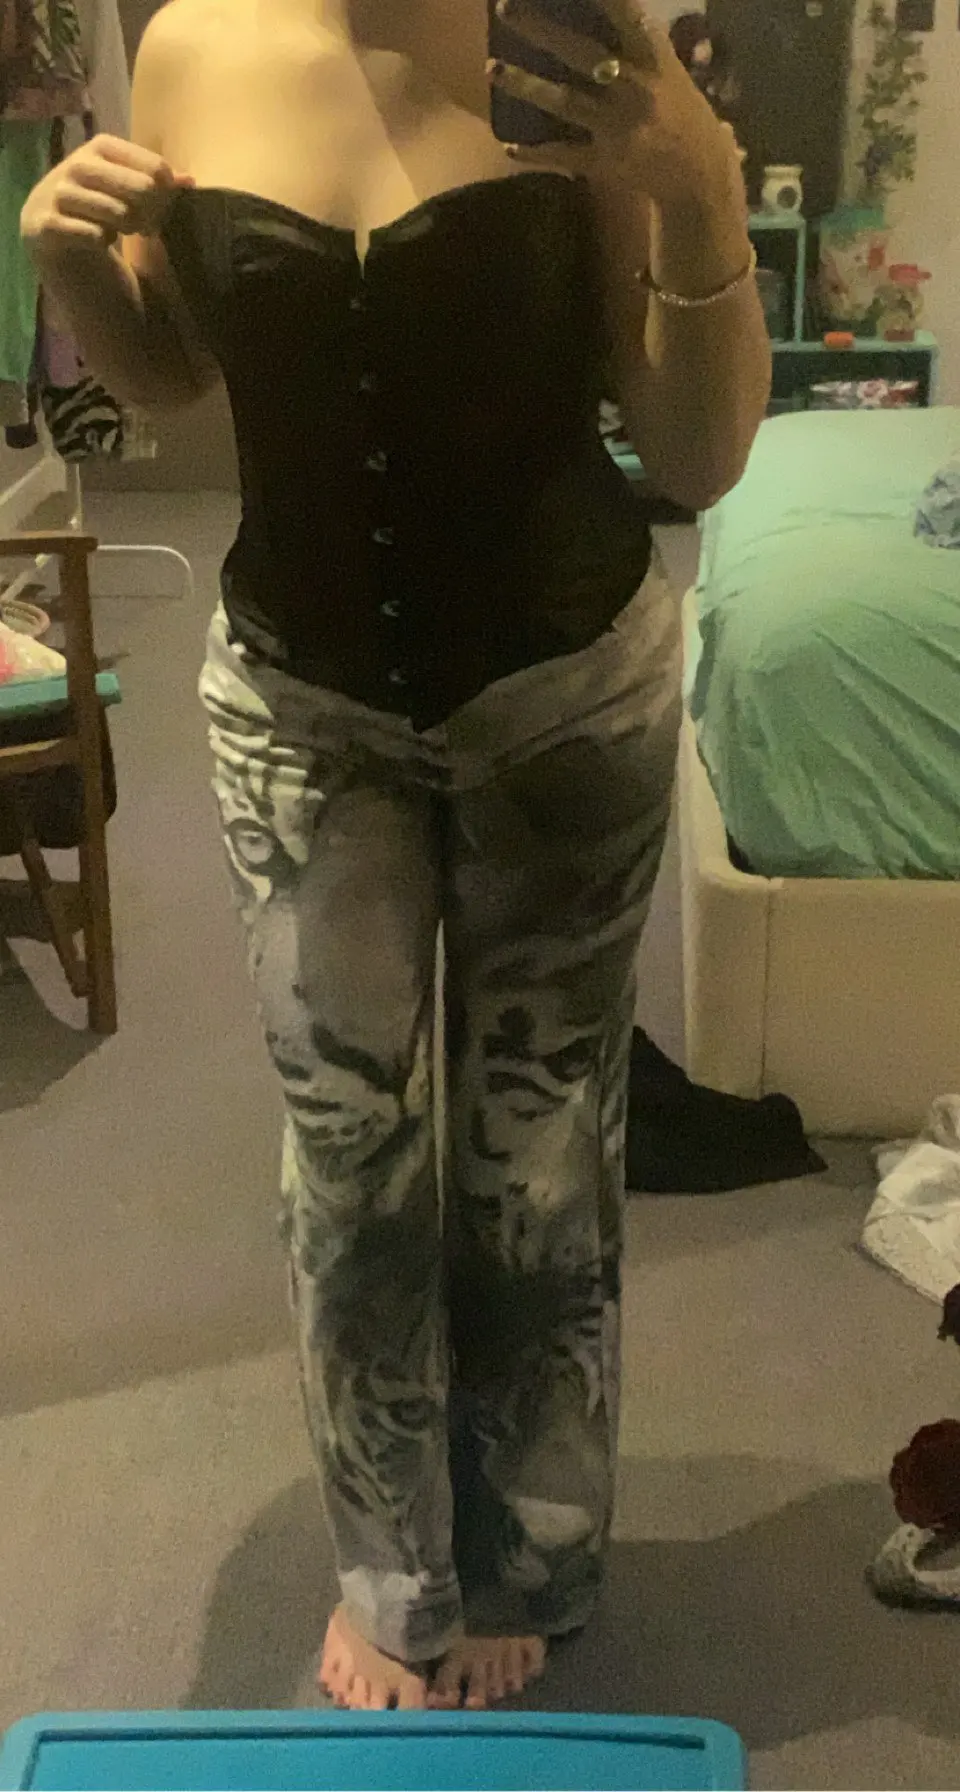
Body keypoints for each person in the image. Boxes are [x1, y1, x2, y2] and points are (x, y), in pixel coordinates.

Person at [21, 0, 770, 1713]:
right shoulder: (193, 44)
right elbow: (175, 370)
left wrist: (703, 195)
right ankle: (393, 1570)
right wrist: (69, 263)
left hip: (562, 694)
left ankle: (535, 1549)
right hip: (302, 703)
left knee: (538, 1160)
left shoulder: (582, 52)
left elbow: (699, 453)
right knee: (350, 1168)